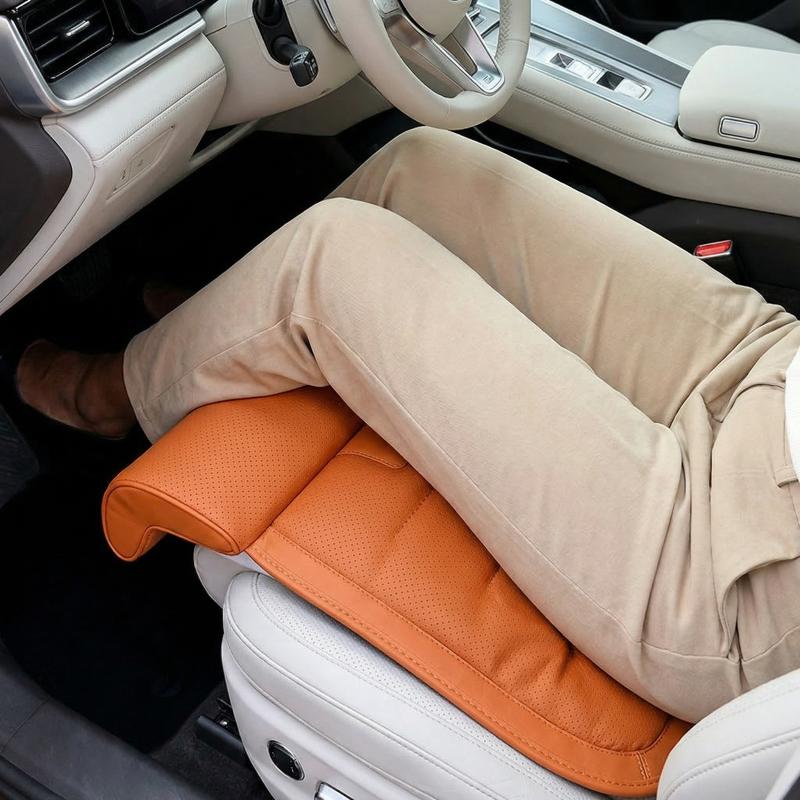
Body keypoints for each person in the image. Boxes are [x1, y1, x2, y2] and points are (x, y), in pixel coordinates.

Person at [16, 127, 800, 723]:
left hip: (743, 580)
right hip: (771, 374)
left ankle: (106, 398)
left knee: (326, 262)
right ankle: (216, 328)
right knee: (423, 169)